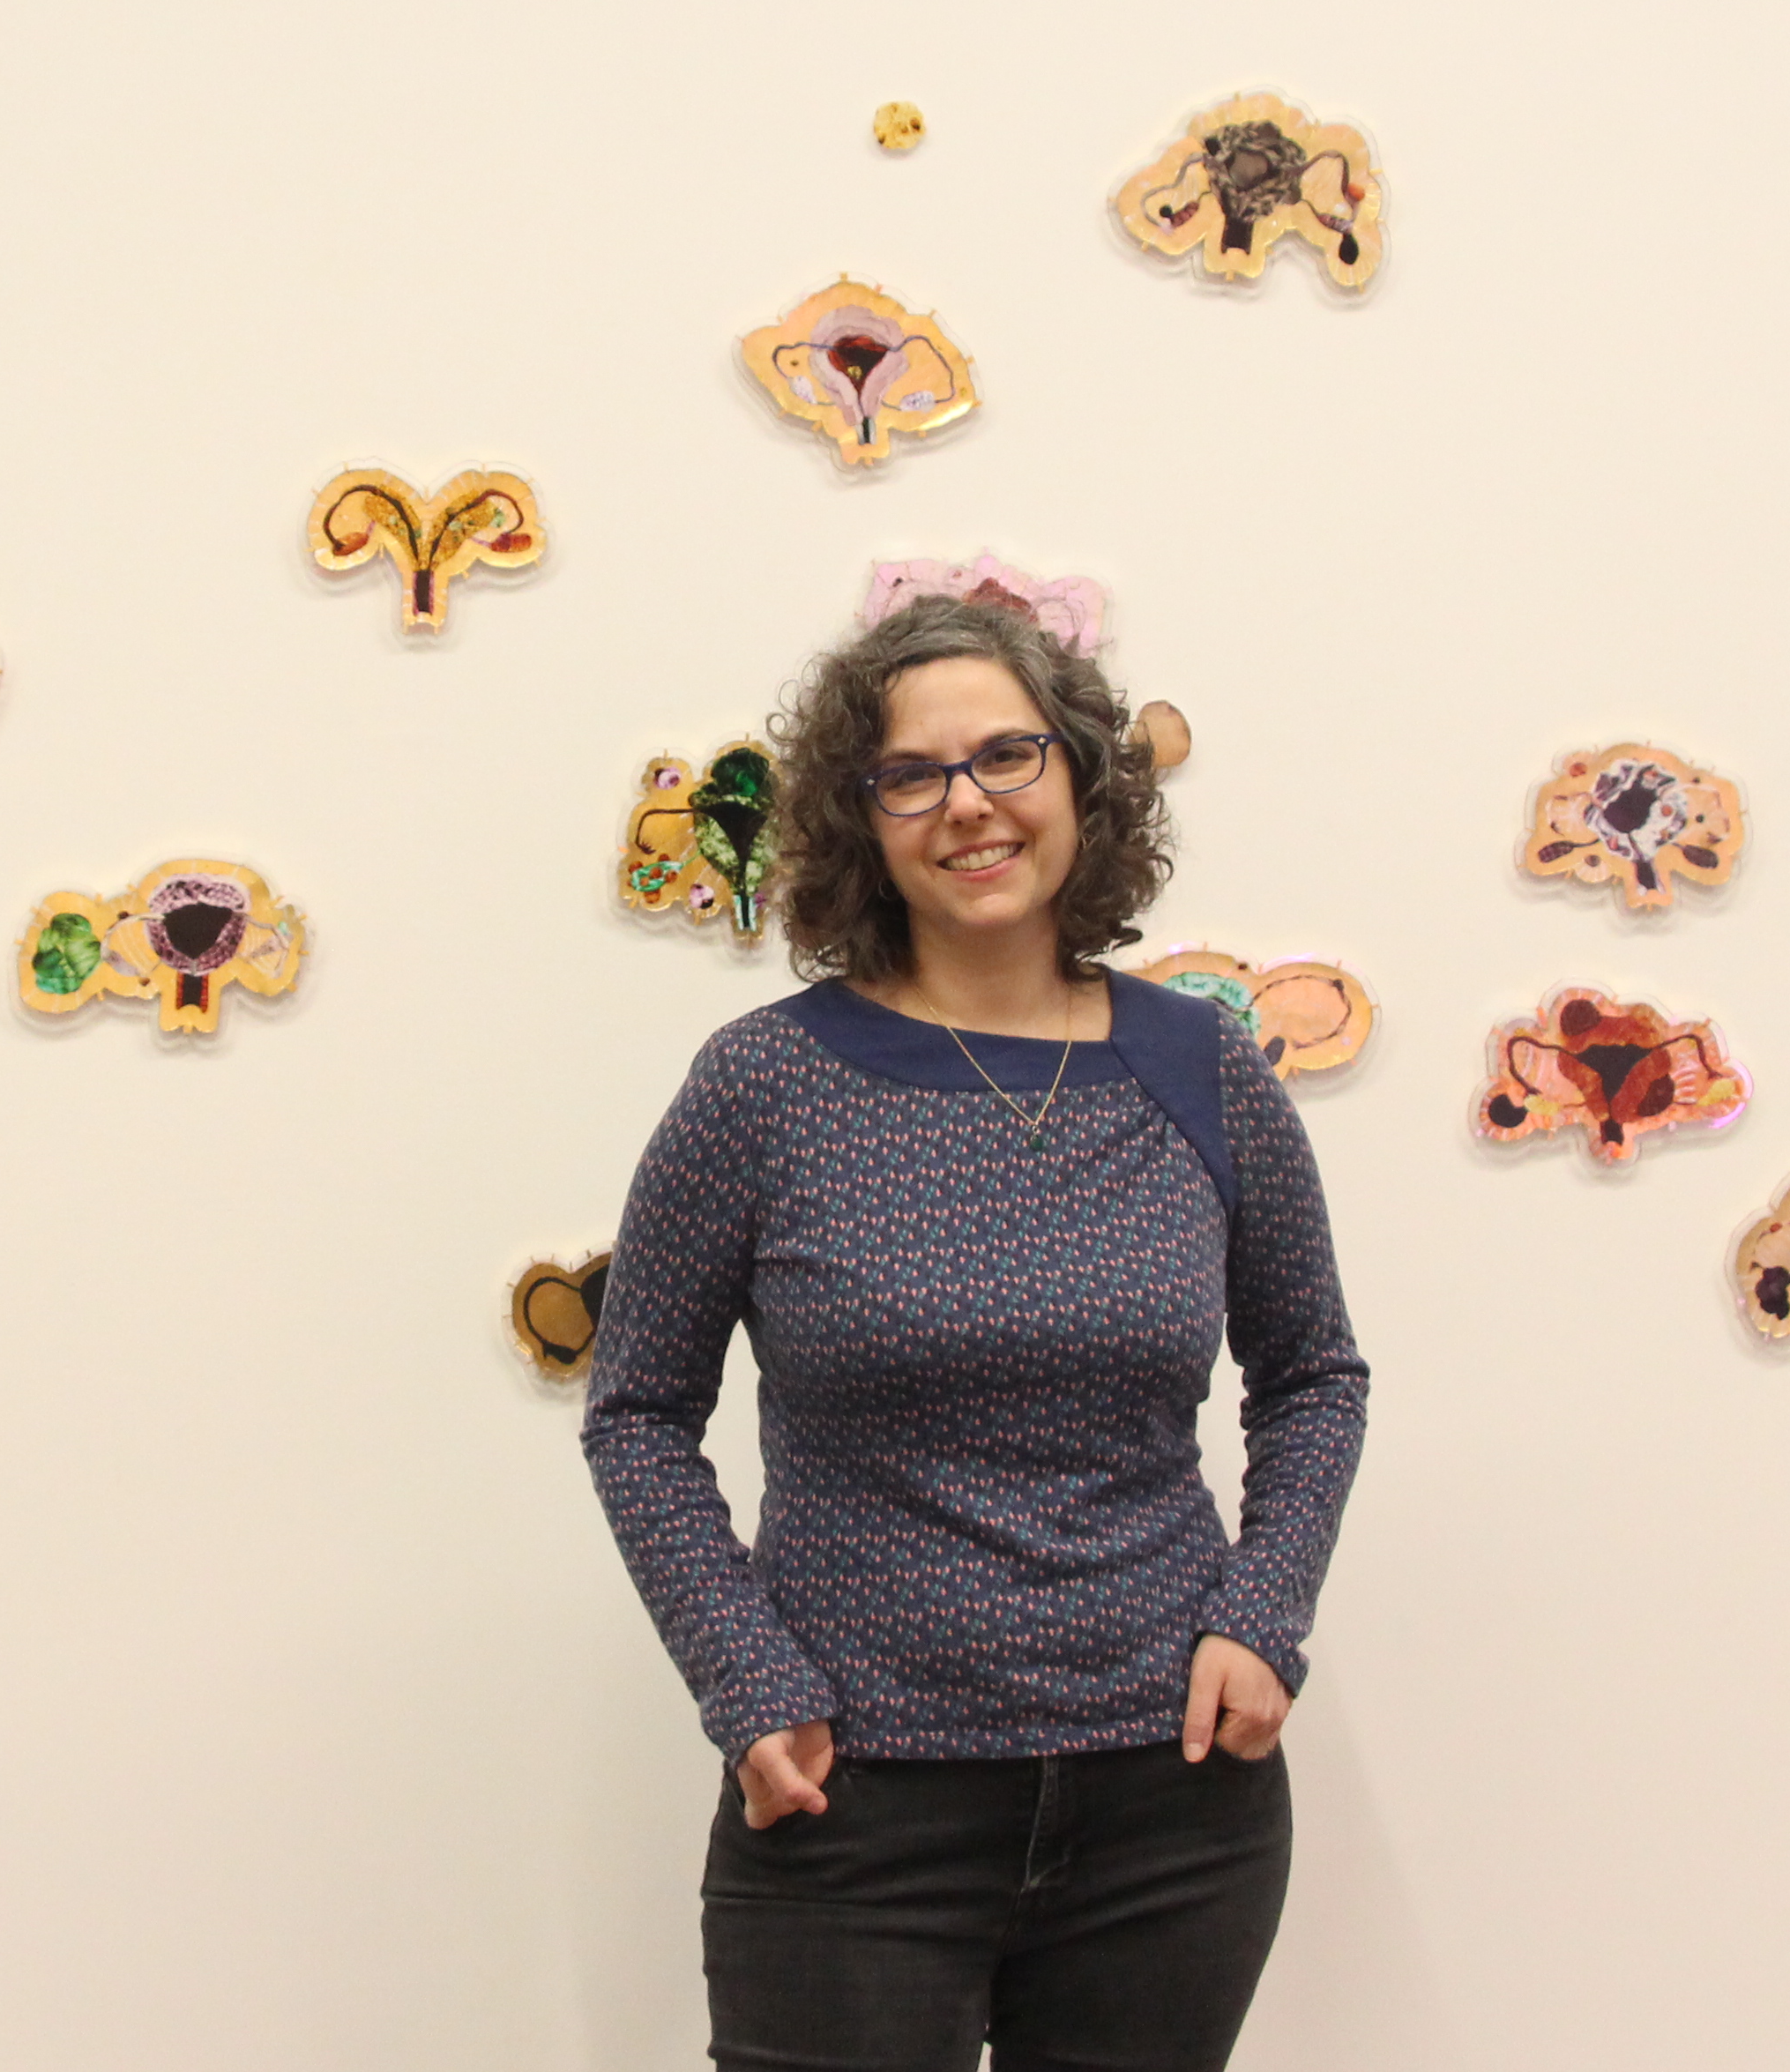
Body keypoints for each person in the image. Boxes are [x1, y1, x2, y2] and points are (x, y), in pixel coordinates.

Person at [584, 598, 1369, 2072]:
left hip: (1172, 1808)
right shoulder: (763, 1089)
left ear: (1080, 777)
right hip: (850, 1800)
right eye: (911, 775)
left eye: (1008, 755)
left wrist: (1263, 1616)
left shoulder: (1205, 1068)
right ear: (859, 820)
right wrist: (745, 1680)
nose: (968, 804)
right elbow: (636, 1413)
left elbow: (1313, 1373)